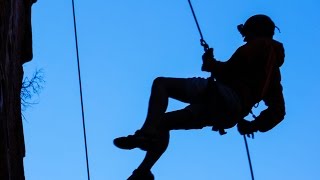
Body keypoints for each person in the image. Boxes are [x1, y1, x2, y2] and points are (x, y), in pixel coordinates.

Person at [113, 14, 286, 180]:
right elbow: (278, 111)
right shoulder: (273, 75)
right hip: (227, 112)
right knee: (163, 122)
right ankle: (143, 171)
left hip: (219, 94)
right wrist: (252, 125)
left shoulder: (260, 45)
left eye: (246, 33)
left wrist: (210, 63)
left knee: (161, 84)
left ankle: (146, 133)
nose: (244, 38)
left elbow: (227, 72)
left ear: (254, 30)